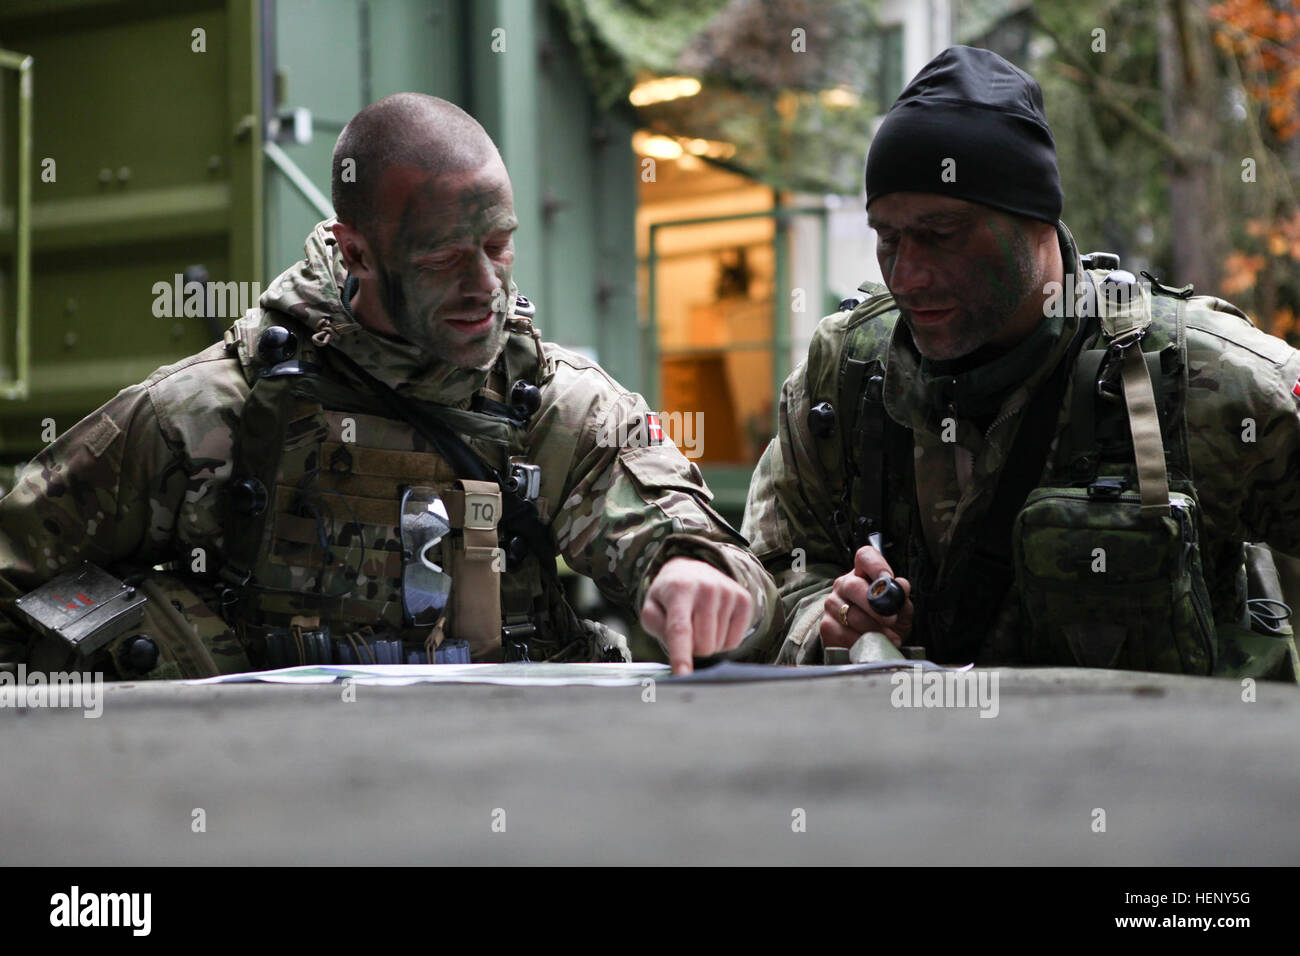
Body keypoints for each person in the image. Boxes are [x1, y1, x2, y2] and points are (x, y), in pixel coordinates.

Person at [0, 93, 779, 679]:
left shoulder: (554, 405)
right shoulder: (210, 416)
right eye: (443, 259)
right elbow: (19, 569)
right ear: (359, 255)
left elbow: (708, 551)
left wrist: (690, 572)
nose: (485, 287)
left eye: (499, 246)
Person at [743, 46, 1300, 680]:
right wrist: (830, 622)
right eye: (888, 237)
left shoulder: (1194, 371)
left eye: (942, 234)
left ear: (1036, 219)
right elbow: (766, 578)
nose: (907, 275)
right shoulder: (843, 375)